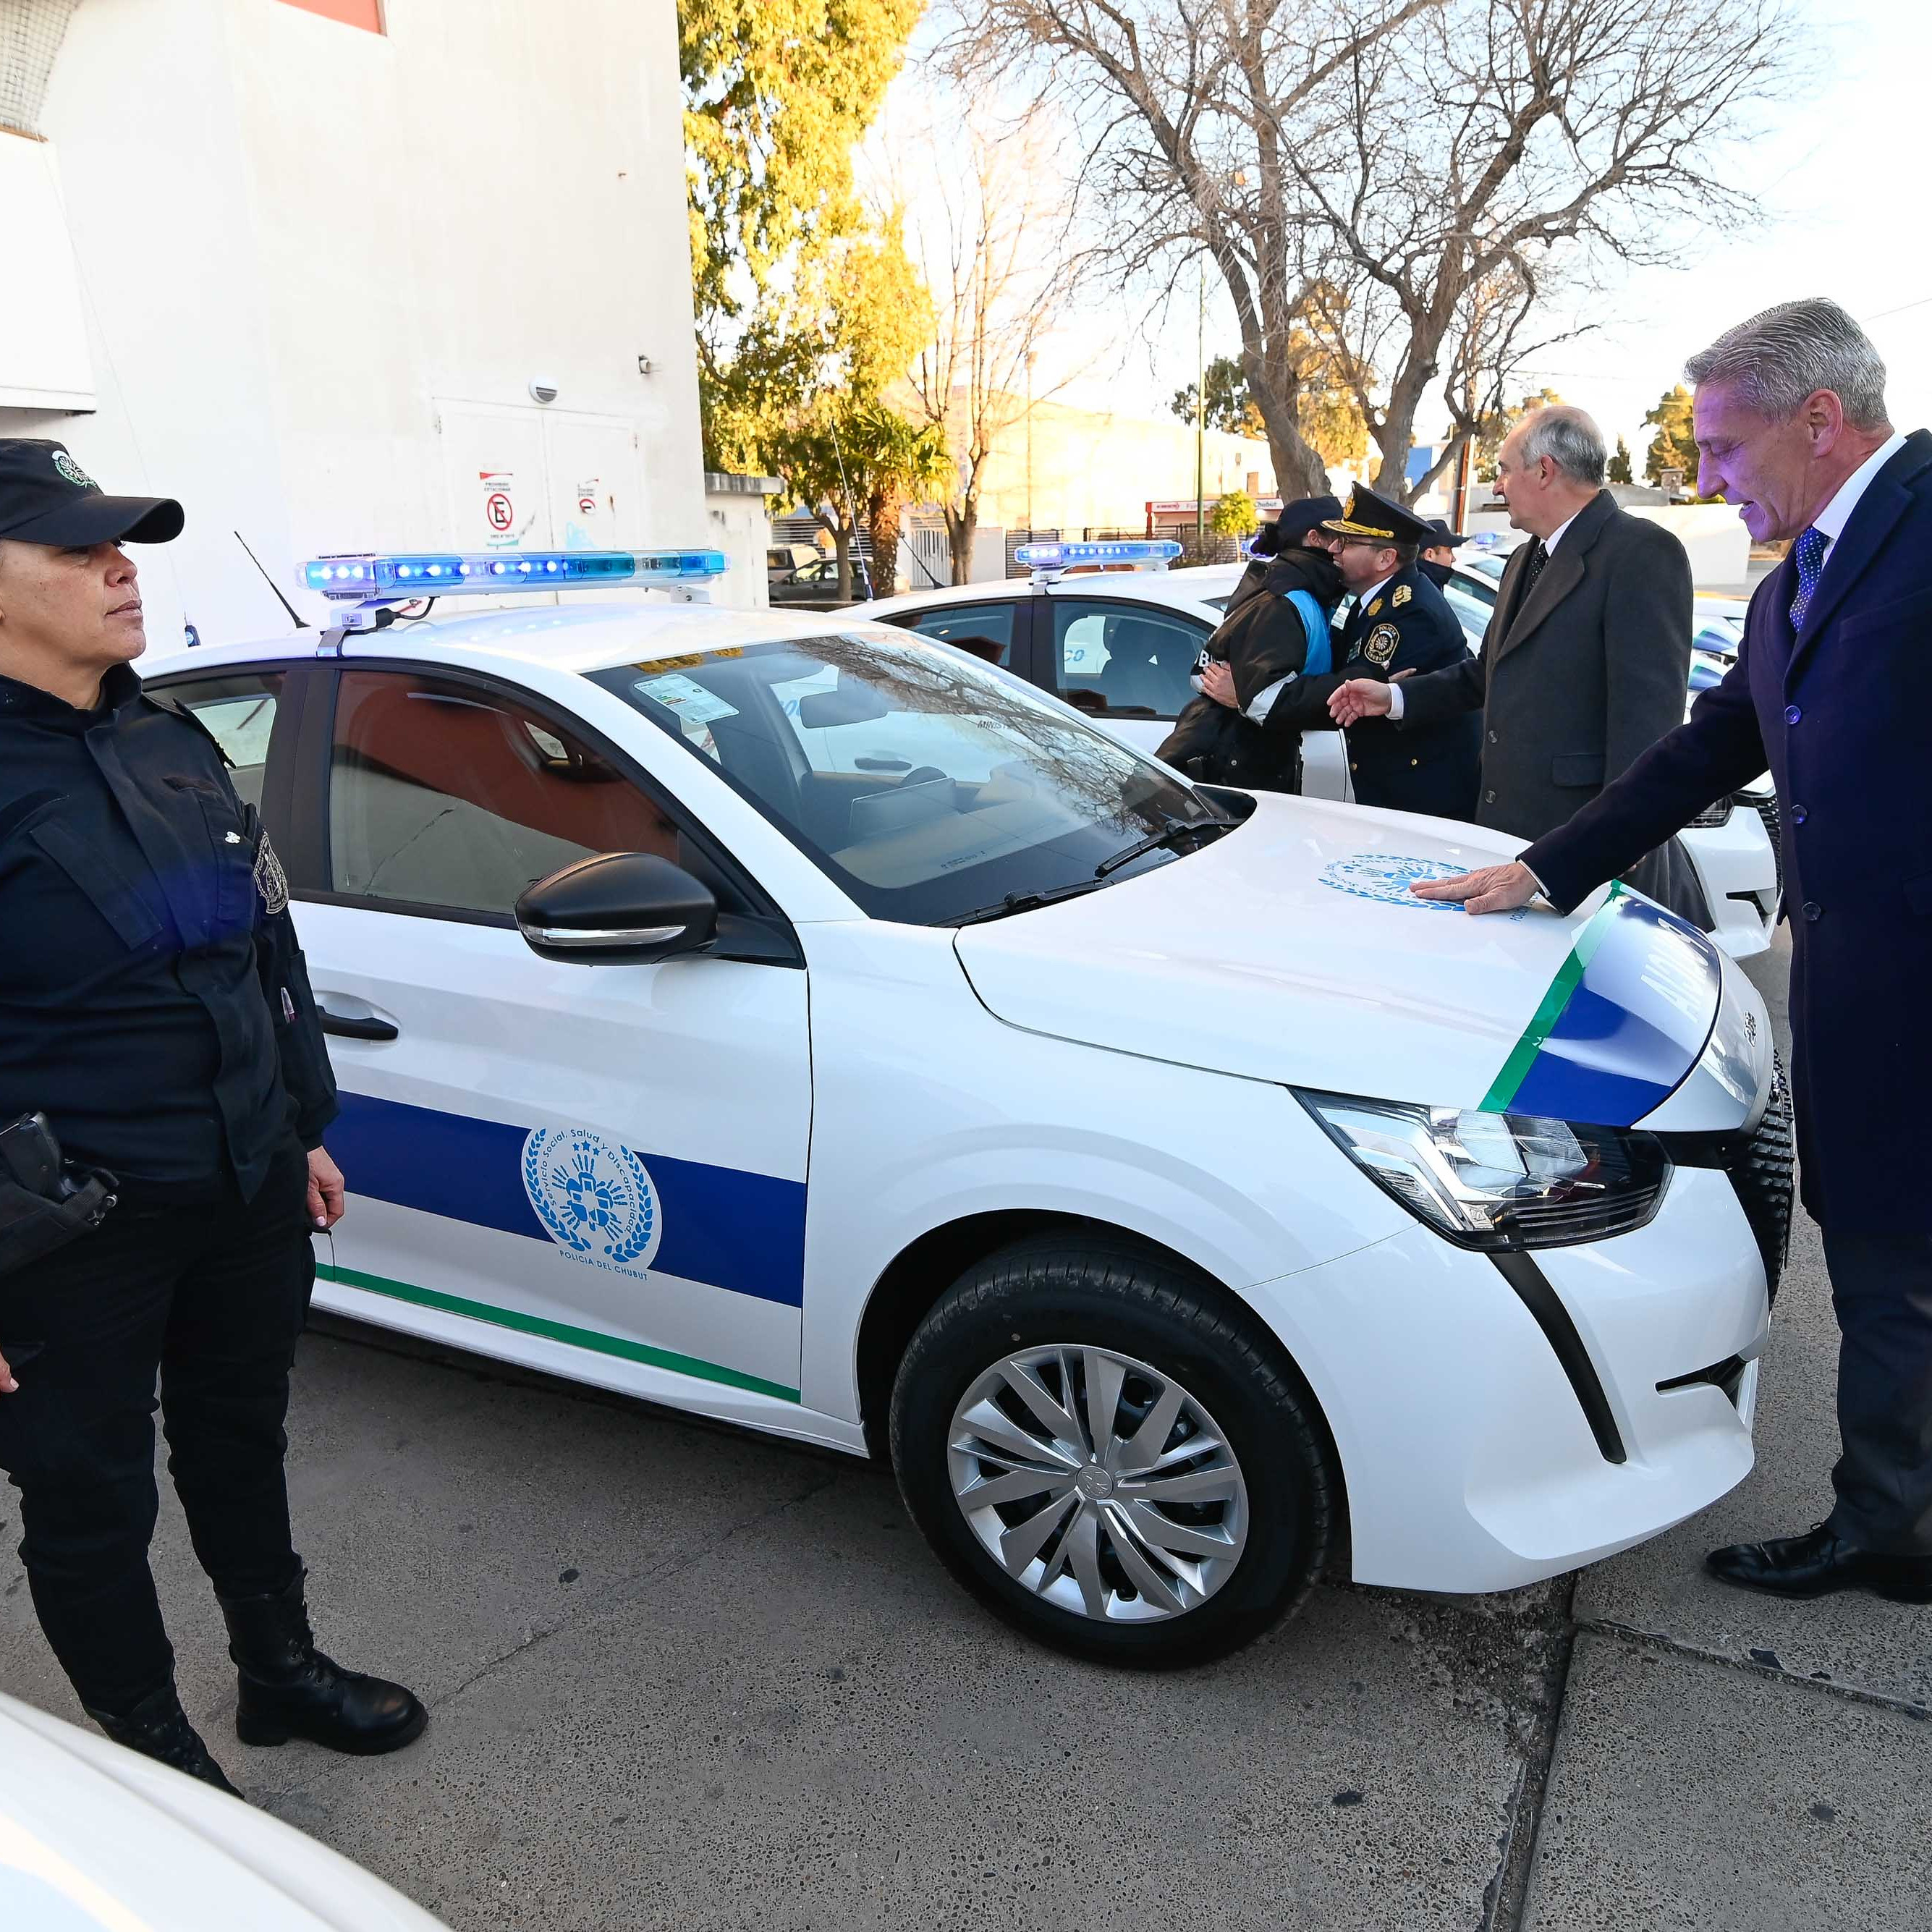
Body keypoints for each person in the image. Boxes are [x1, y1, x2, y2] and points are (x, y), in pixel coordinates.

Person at [1409, 300, 1932, 1606]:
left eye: (1724, 448)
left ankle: (1890, 1528)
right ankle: (1899, 1520)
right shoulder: (1798, 574)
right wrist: (1544, 868)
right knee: (1880, 1258)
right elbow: (1706, 749)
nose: (1704, 479)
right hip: (1866, 999)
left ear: (1822, 419)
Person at [0, 439, 426, 1792]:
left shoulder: (167, 734)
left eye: (120, 543)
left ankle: (276, 1673)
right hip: (69, 1233)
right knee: (89, 1504)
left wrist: (299, 1125)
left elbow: (263, 950)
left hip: (241, 1189)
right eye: (75, 550)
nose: (119, 569)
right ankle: (157, 1771)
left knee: (240, 1440)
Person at [1329, 407, 1707, 922]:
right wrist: (1393, 698)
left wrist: (1620, 840)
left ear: (1545, 471)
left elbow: (1648, 723)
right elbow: (1486, 674)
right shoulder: (1525, 559)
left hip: (1591, 856)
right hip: (1511, 840)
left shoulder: (1641, 553)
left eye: (1505, 470)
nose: (1499, 486)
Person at [1238, 483, 1480, 819]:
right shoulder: (1375, 601)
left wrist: (1248, 695)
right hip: (1397, 787)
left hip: (1422, 796)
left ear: (1386, 558)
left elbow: (1349, 695)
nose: (1335, 550)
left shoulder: (1411, 612)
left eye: (1349, 542)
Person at [1156, 495, 1343, 792]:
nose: (1343, 550)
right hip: (1245, 764)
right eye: (1340, 538)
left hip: (1251, 758)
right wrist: (1245, 694)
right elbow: (1257, 696)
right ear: (1315, 539)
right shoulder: (1283, 601)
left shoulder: (1290, 591)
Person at [1418, 518, 1465, 588]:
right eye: (1449, 551)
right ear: (1429, 555)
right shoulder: (1425, 590)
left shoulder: (1426, 584)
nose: (1453, 559)